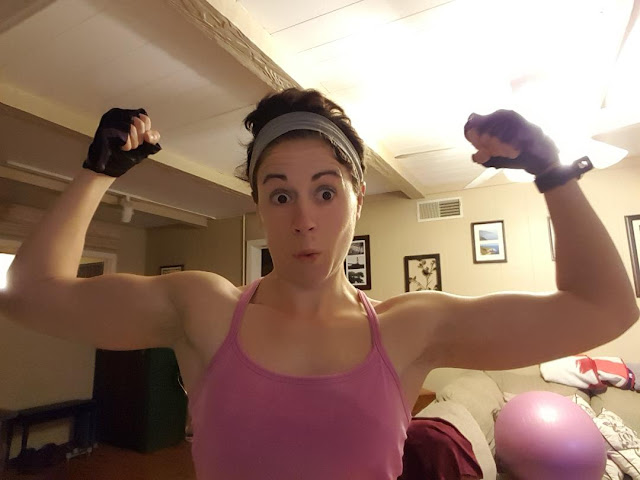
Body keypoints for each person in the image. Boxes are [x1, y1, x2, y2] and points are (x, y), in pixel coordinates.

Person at [1, 88, 638, 479]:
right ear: (258, 204)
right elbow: (28, 294)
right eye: (280, 195)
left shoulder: (411, 326)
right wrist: (97, 172)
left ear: (358, 195)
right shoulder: (203, 309)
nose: (304, 219)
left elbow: (605, 308)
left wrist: (554, 172)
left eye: (326, 192)